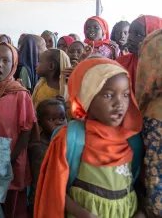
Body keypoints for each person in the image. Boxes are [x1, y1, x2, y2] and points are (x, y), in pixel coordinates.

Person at [34, 58, 143, 218]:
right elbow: (54, 189)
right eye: (108, 95)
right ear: (87, 97)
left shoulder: (132, 138)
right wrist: (85, 215)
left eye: (126, 94)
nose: (119, 103)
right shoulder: (71, 137)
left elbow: (136, 183)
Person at [0, 41, 36, 218]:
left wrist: (10, 159)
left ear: (13, 65)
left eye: (5, 61)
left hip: (12, 159)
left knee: (11, 204)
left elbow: (26, 132)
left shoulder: (19, 94)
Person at [135, 28, 162, 217]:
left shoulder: (156, 40)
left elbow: (145, 87)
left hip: (157, 119)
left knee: (157, 189)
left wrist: (138, 112)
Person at [28, 99, 67, 216]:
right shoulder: (38, 148)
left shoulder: (67, 141)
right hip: (43, 200)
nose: (59, 123)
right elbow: (40, 182)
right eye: (52, 119)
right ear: (40, 123)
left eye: (62, 118)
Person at [117, 15, 162, 93]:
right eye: (130, 32)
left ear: (154, 38)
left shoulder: (159, 69)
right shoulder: (121, 63)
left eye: (138, 35)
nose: (130, 37)